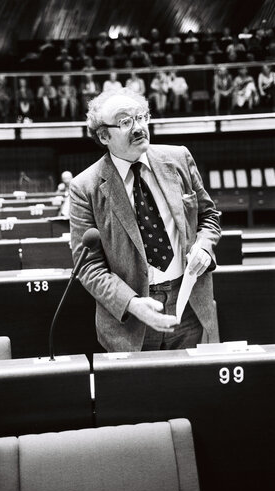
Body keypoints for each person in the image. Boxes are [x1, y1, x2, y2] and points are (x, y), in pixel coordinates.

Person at [69, 88, 221, 352]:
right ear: (104, 135)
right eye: (125, 122)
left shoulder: (179, 159)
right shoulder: (85, 187)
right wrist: (132, 304)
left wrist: (204, 247)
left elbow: (209, 217)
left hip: (190, 306)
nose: (138, 127)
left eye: (141, 117)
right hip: (130, 320)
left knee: (194, 390)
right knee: (140, 393)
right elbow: (88, 267)